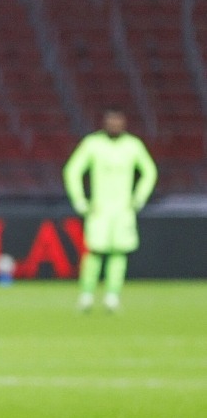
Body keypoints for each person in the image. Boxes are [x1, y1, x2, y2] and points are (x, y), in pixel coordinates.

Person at [63, 107, 157, 313]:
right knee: (94, 251)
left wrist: (139, 198)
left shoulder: (133, 145)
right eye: (111, 121)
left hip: (123, 209)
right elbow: (72, 170)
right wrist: (80, 201)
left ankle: (112, 296)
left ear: (124, 123)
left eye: (118, 121)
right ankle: (86, 295)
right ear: (105, 122)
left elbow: (150, 171)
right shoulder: (93, 144)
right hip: (99, 209)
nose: (114, 124)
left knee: (119, 252)